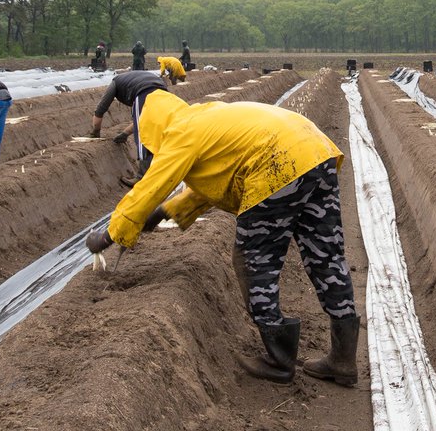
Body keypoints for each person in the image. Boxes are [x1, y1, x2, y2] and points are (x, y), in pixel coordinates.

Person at [85, 90, 358, 387]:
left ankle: (279, 361)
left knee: (254, 260)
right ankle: (343, 360)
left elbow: (148, 188)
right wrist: (167, 211)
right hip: (316, 152)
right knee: (326, 256)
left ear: (153, 129)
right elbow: (216, 177)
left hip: (276, 163)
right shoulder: (204, 118)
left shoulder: (179, 133)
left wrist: (110, 235)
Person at [88, 71, 168, 186]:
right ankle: (158, 172)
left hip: (145, 90)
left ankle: (141, 178)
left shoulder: (115, 83)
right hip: (163, 92)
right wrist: (125, 133)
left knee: (143, 135)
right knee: (154, 130)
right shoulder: (132, 79)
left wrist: (95, 132)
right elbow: (141, 119)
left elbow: (100, 110)